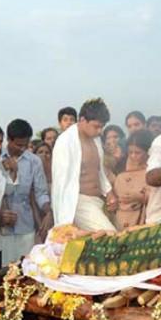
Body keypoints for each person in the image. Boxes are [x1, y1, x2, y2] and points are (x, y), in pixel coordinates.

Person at [51, 99, 116, 231]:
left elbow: (99, 171)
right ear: (82, 120)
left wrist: (109, 192)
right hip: (78, 203)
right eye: (96, 126)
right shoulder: (65, 141)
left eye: (102, 127)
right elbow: (60, 183)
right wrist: (63, 221)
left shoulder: (96, 139)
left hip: (97, 201)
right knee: (110, 235)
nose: (99, 131)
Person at [1, 119, 51, 263]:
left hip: (26, 226)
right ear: (8, 139)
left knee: (26, 269)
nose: (22, 148)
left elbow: (41, 193)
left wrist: (48, 210)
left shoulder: (34, 161)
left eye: (26, 145)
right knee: (3, 272)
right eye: (18, 144)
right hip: (2, 229)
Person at [112, 130, 153, 229]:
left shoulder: (153, 172)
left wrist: (141, 197)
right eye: (130, 152)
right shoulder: (121, 172)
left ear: (148, 151)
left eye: (138, 152)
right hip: (121, 222)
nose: (133, 156)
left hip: (145, 223)